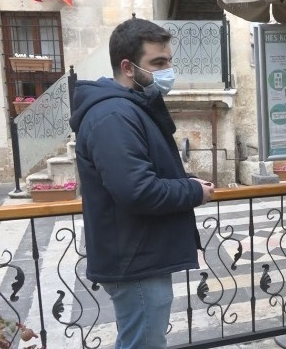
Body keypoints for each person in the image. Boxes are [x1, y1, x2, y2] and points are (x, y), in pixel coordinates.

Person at [69, 18, 214, 349]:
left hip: (140, 254)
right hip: (135, 260)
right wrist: (193, 191)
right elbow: (136, 190)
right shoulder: (114, 116)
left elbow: (138, 174)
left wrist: (184, 181)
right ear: (128, 67)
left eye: (169, 61)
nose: (168, 70)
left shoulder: (128, 108)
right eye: (158, 63)